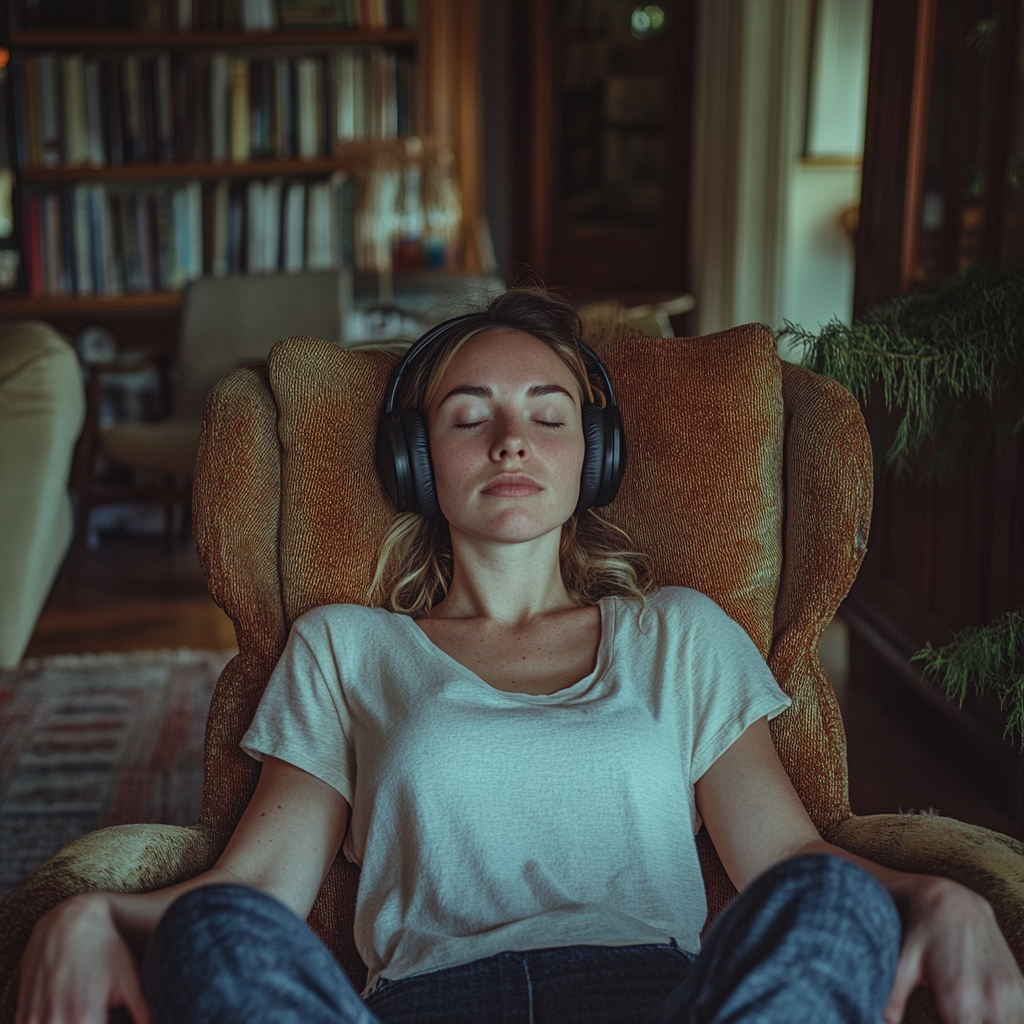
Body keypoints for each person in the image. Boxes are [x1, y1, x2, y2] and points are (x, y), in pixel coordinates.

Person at [16, 290, 1024, 1024]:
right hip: (420, 1006)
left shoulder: (676, 630)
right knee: (217, 937)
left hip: (663, 1002)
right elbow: (255, 893)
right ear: (419, 459)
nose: (510, 440)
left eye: (548, 414)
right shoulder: (345, 647)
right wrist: (92, 914)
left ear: (593, 454)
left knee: (831, 900)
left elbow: (791, 863)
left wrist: (941, 892)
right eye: (469, 418)